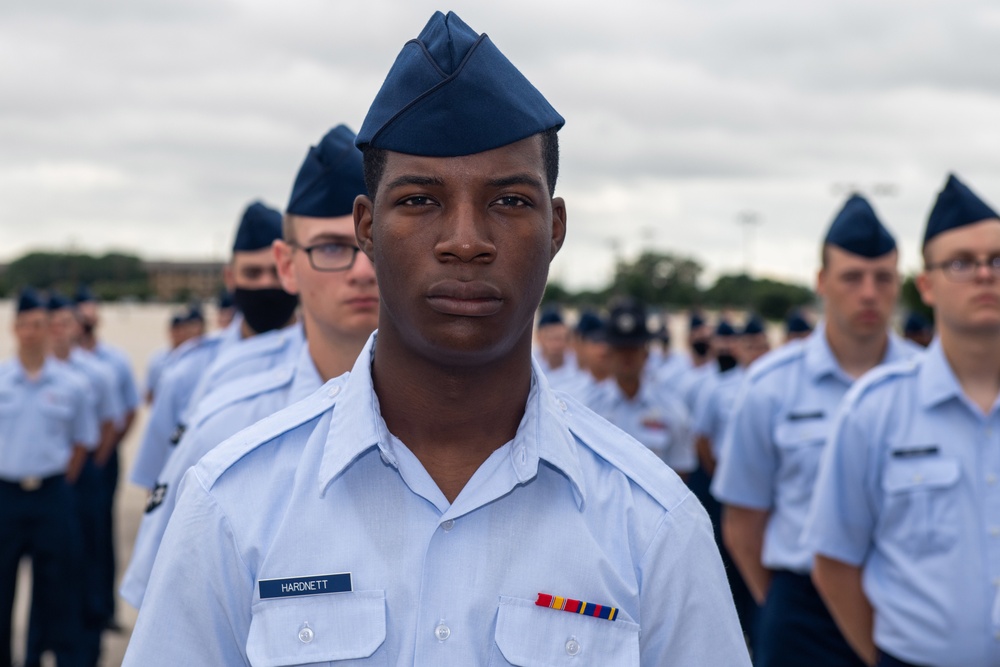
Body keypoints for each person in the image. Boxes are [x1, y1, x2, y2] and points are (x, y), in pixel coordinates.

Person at [123, 12, 749, 665]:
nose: (465, 241)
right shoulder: (234, 503)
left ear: (556, 227)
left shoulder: (651, 522)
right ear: (366, 226)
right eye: (421, 201)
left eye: (509, 201)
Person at [120, 123, 377, 609]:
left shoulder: (467, 424)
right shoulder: (226, 427)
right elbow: (171, 612)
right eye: (330, 248)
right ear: (287, 265)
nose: (362, 270)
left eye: (374, 242)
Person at [711, 193, 919, 667]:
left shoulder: (924, 383)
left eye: (883, 278)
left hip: (905, 608)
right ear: (822, 282)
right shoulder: (770, 387)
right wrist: (781, 607)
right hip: (804, 619)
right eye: (852, 277)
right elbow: (743, 522)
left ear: (899, 284)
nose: (869, 292)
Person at [804, 174, 1000, 667]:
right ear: (927, 286)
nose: (984, 275)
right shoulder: (876, 410)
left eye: (997, 260)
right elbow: (833, 561)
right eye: (962, 263)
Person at [129, 200, 300, 491]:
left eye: (275, 272)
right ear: (230, 278)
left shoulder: (331, 362)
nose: (265, 285)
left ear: (293, 270)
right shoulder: (188, 371)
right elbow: (159, 483)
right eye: (253, 273)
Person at [0, 289, 98, 667]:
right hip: (6, 498)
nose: (30, 332)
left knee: (58, 592)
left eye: (38, 324)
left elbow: (80, 444)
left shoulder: (71, 385)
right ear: (14, 328)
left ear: (48, 329)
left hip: (52, 496)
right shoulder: (2, 380)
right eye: (24, 324)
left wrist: (57, 483)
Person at [586, 299, 696, 477]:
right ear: (610, 354)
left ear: (645, 353)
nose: (627, 357)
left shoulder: (672, 409)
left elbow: (681, 472)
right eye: (621, 348)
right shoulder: (588, 407)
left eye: (633, 348)